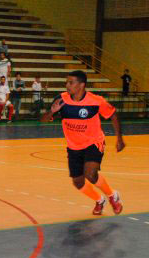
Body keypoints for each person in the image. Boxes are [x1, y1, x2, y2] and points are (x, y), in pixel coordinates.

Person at [41, 70, 124, 215]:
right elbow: (42, 120)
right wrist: (52, 111)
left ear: (81, 85)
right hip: (73, 146)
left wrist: (119, 138)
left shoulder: (95, 101)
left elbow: (113, 115)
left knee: (90, 174)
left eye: (71, 82)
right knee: (78, 182)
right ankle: (100, 200)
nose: (67, 85)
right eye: (67, 82)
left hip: (93, 142)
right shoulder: (61, 100)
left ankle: (112, 196)